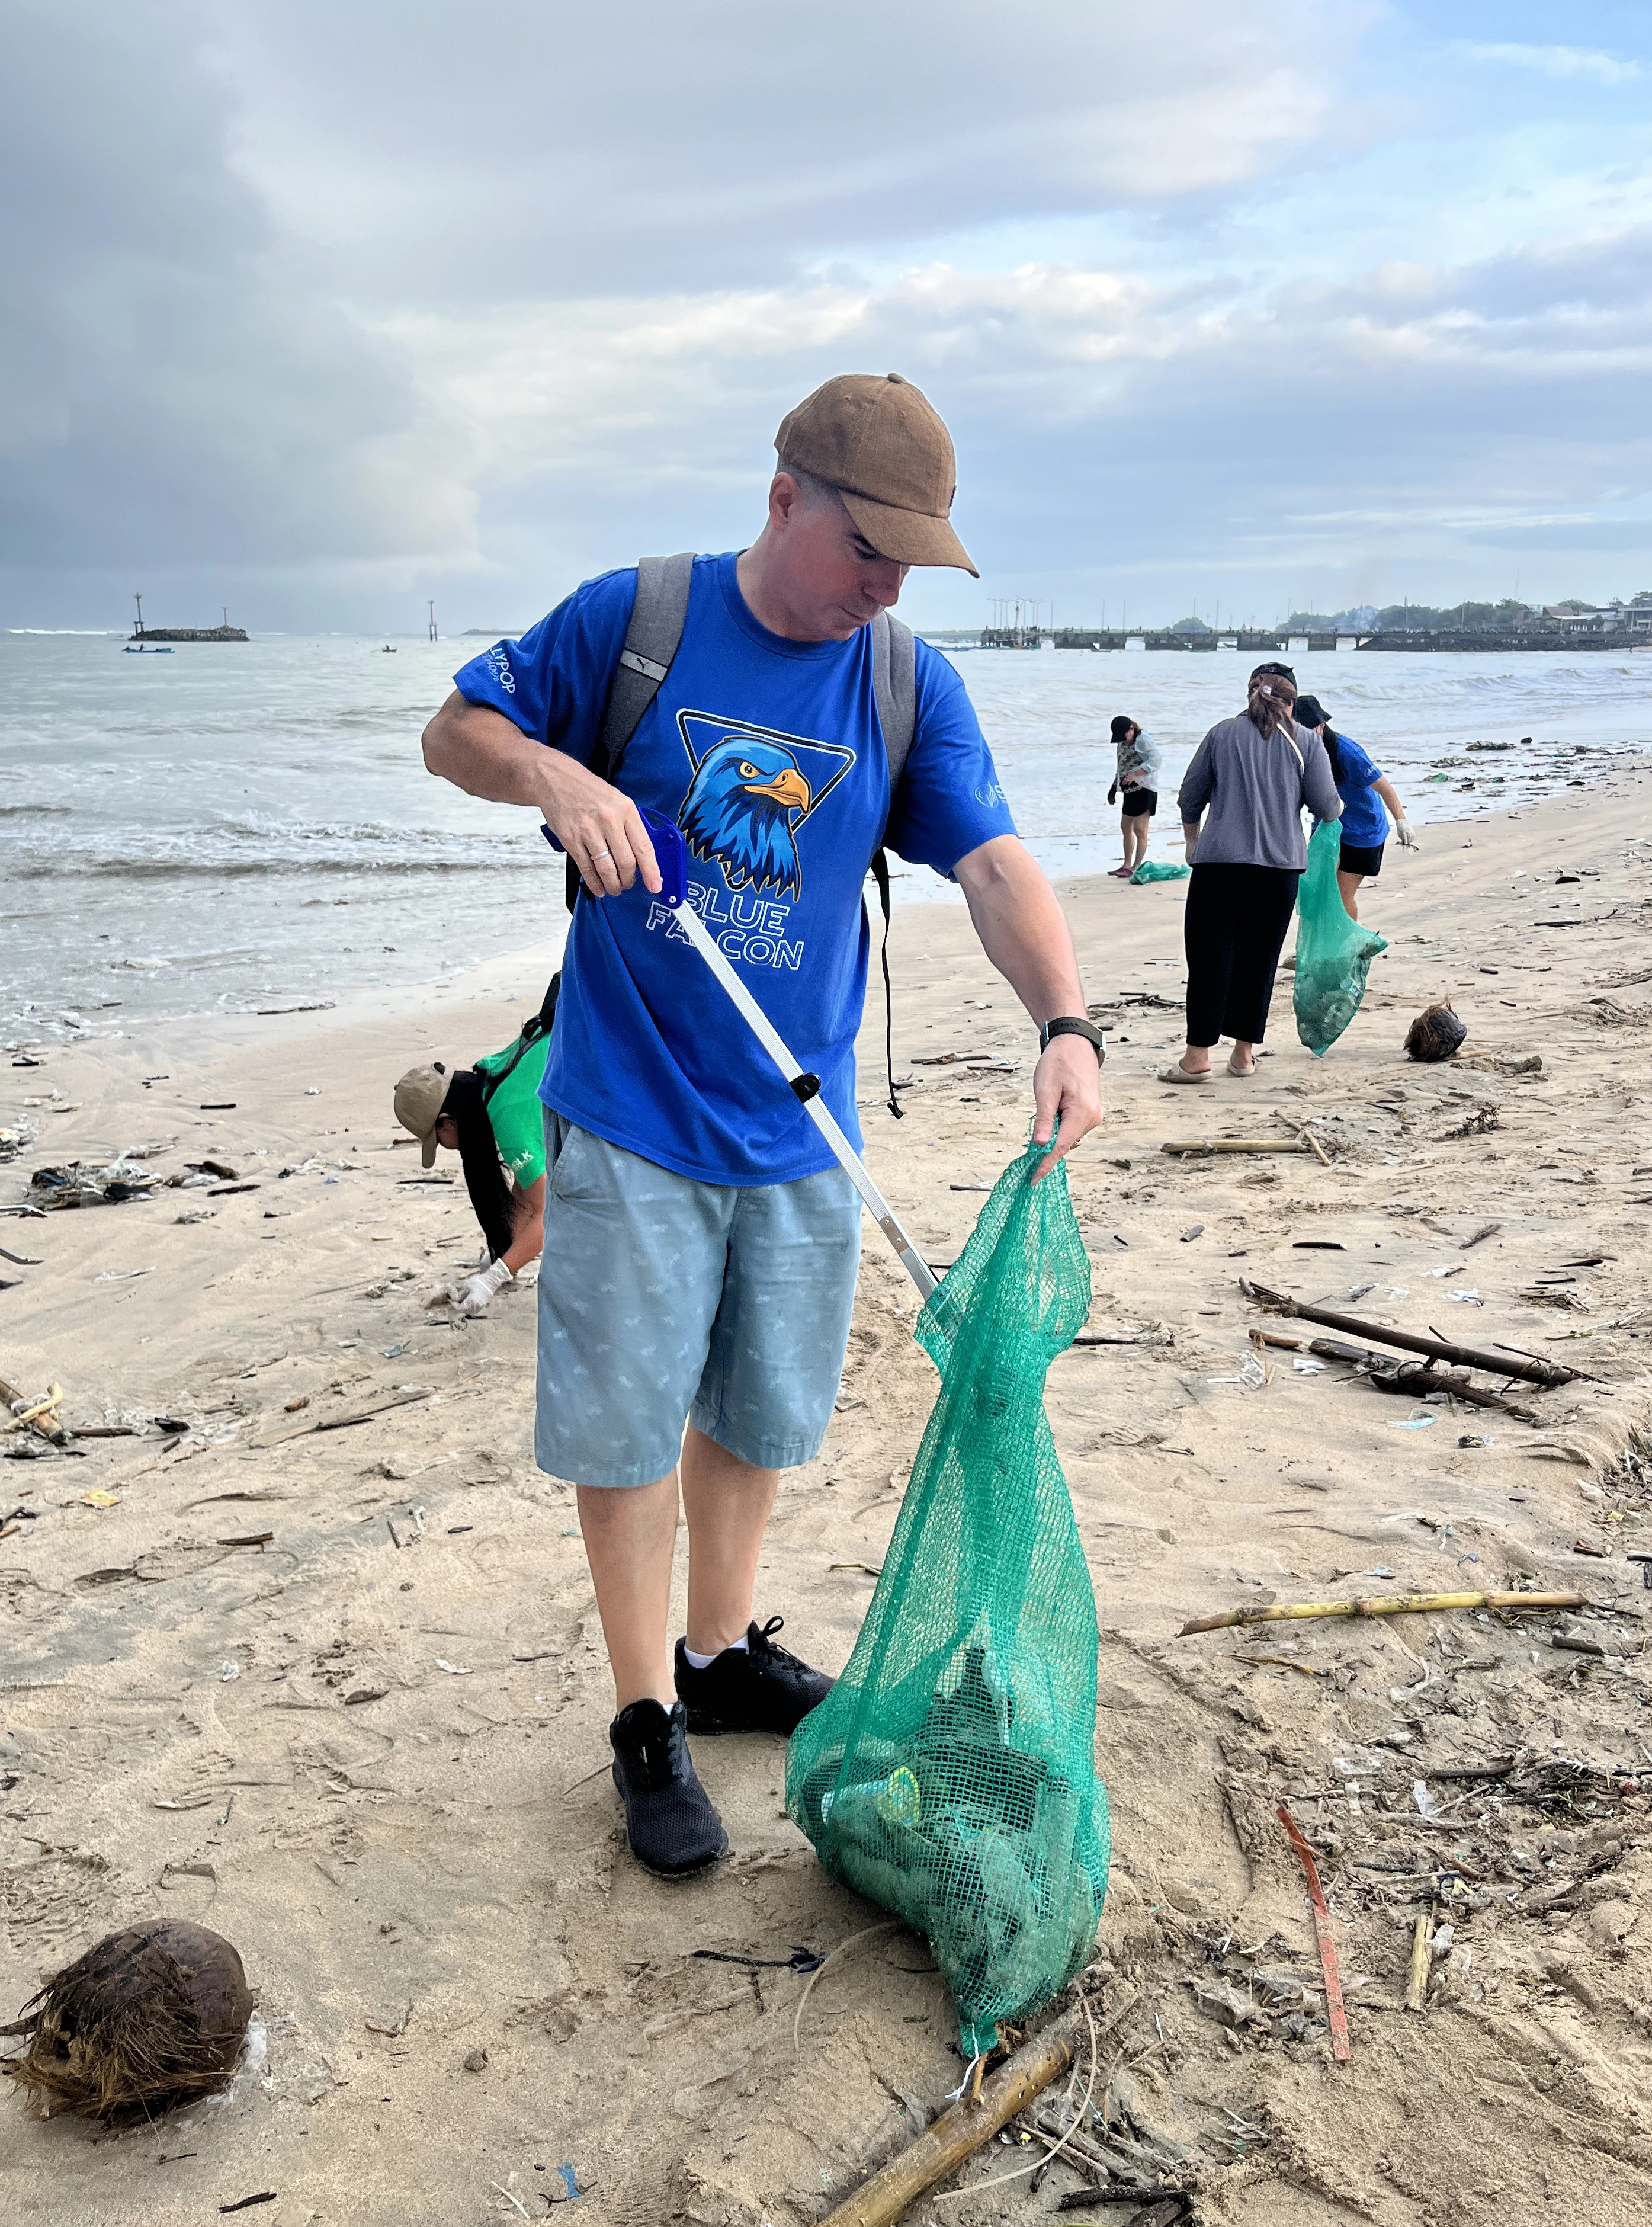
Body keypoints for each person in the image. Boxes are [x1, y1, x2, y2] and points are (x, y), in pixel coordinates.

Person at [418, 373, 1104, 1879]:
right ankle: (647, 1716)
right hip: (634, 1107)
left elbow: (989, 863)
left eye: (913, 562)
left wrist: (1062, 1022)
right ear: (785, 495)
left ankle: (722, 1650)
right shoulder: (637, 617)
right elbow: (454, 731)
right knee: (627, 1425)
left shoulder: (903, 681)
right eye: (870, 549)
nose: (886, 585)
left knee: (755, 1412)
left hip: (803, 1129)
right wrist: (557, 774)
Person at [1160, 664, 1342, 1083]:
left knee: (1209, 959)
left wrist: (1193, 842)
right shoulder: (1307, 744)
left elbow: (1191, 796)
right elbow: (1328, 808)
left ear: (1250, 695)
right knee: (1260, 960)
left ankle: (1197, 1057)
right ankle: (1243, 1056)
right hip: (1281, 870)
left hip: (1221, 864)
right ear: (1292, 703)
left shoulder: (1222, 733)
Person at [392, 975, 558, 1309]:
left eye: (437, 1140)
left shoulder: (507, 1117)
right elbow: (525, 1198)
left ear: (447, 1122)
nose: (444, 1148)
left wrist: (495, 1278)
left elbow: (548, 1213)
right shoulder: (490, 1077)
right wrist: (500, 1257)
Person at [1290, 693, 1416, 919]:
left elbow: (1384, 787)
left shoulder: (1347, 752)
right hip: (1328, 829)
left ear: (1321, 726)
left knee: (1340, 894)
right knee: (1318, 892)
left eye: (1307, 730)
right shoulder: (1296, 751)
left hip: (1364, 830)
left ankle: (1348, 950)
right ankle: (1317, 949)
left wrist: (1401, 820)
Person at [1106, 714, 1161, 879]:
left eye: (1124, 736)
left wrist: (1135, 775)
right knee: (1125, 827)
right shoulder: (1122, 742)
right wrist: (1114, 787)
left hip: (1145, 788)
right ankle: (1126, 865)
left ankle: (1136, 867)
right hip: (1129, 791)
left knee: (1140, 830)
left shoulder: (1143, 740)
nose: (1122, 741)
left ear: (1132, 729)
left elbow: (1156, 760)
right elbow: (1122, 764)